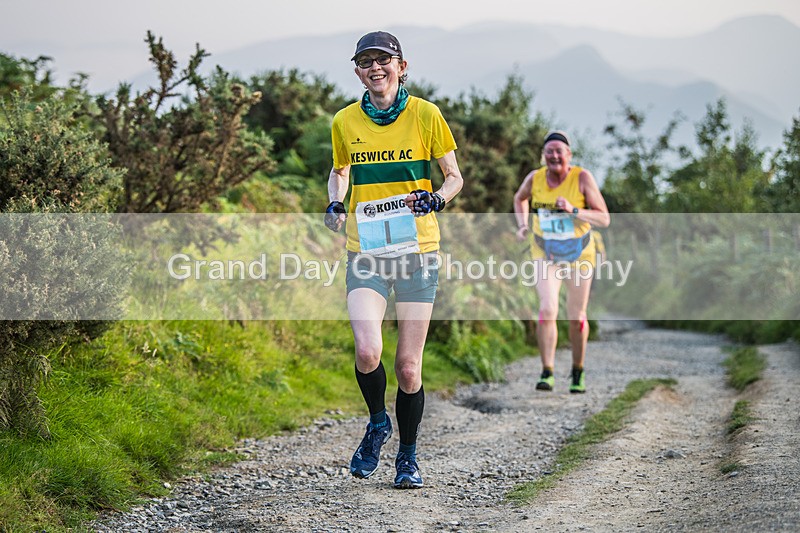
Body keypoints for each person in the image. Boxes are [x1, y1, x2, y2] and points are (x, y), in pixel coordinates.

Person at [324, 31, 464, 489]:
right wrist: (335, 201)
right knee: (368, 351)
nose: (374, 68)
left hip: (417, 253)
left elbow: (454, 177)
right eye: (365, 62)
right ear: (358, 71)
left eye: (383, 59)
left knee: (408, 367)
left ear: (402, 66)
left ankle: (408, 455)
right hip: (365, 252)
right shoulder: (344, 121)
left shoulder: (426, 115)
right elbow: (339, 171)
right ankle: (378, 422)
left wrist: (437, 200)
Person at [513, 130, 610, 393]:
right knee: (547, 309)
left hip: (579, 254)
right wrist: (523, 225)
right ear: (543, 156)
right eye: (549, 151)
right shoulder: (535, 178)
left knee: (576, 317)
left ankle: (578, 370)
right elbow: (519, 198)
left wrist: (573, 210)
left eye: (559, 151)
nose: (554, 156)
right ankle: (547, 371)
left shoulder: (582, 178)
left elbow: (604, 218)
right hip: (545, 253)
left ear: (569, 154)